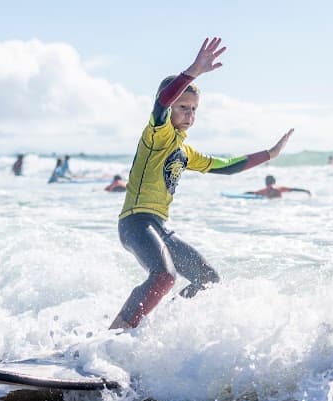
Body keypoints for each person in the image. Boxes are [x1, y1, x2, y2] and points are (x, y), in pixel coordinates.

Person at [109, 37, 293, 330]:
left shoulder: (185, 152)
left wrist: (270, 154)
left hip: (159, 226)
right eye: (183, 107)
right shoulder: (157, 135)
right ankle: (112, 339)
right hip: (135, 222)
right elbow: (162, 102)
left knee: (208, 279)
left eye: (194, 109)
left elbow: (227, 166)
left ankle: (158, 331)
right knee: (164, 276)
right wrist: (193, 71)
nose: (189, 114)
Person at [246, 175, 310, 199]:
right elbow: (293, 189)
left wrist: (245, 193)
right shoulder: (280, 188)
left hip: (271, 203)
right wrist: (305, 191)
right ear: (274, 181)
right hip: (279, 203)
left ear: (266, 182)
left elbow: (253, 193)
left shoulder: (264, 190)